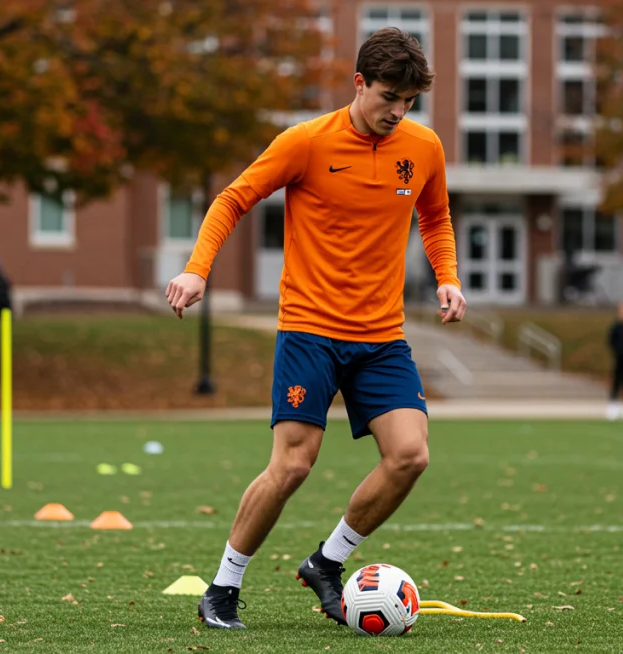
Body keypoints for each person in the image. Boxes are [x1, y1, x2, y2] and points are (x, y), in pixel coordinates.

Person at [166, 27, 465, 630]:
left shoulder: (423, 148)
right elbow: (232, 199)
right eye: (388, 97)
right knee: (294, 465)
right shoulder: (305, 142)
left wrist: (448, 277)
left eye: (408, 102)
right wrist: (198, 271)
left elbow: (434, 217)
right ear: (359, 83)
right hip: (309, 330)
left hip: (381, 336)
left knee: (410, 455)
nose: (397, 112)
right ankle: (222, 587)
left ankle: (327, 563)